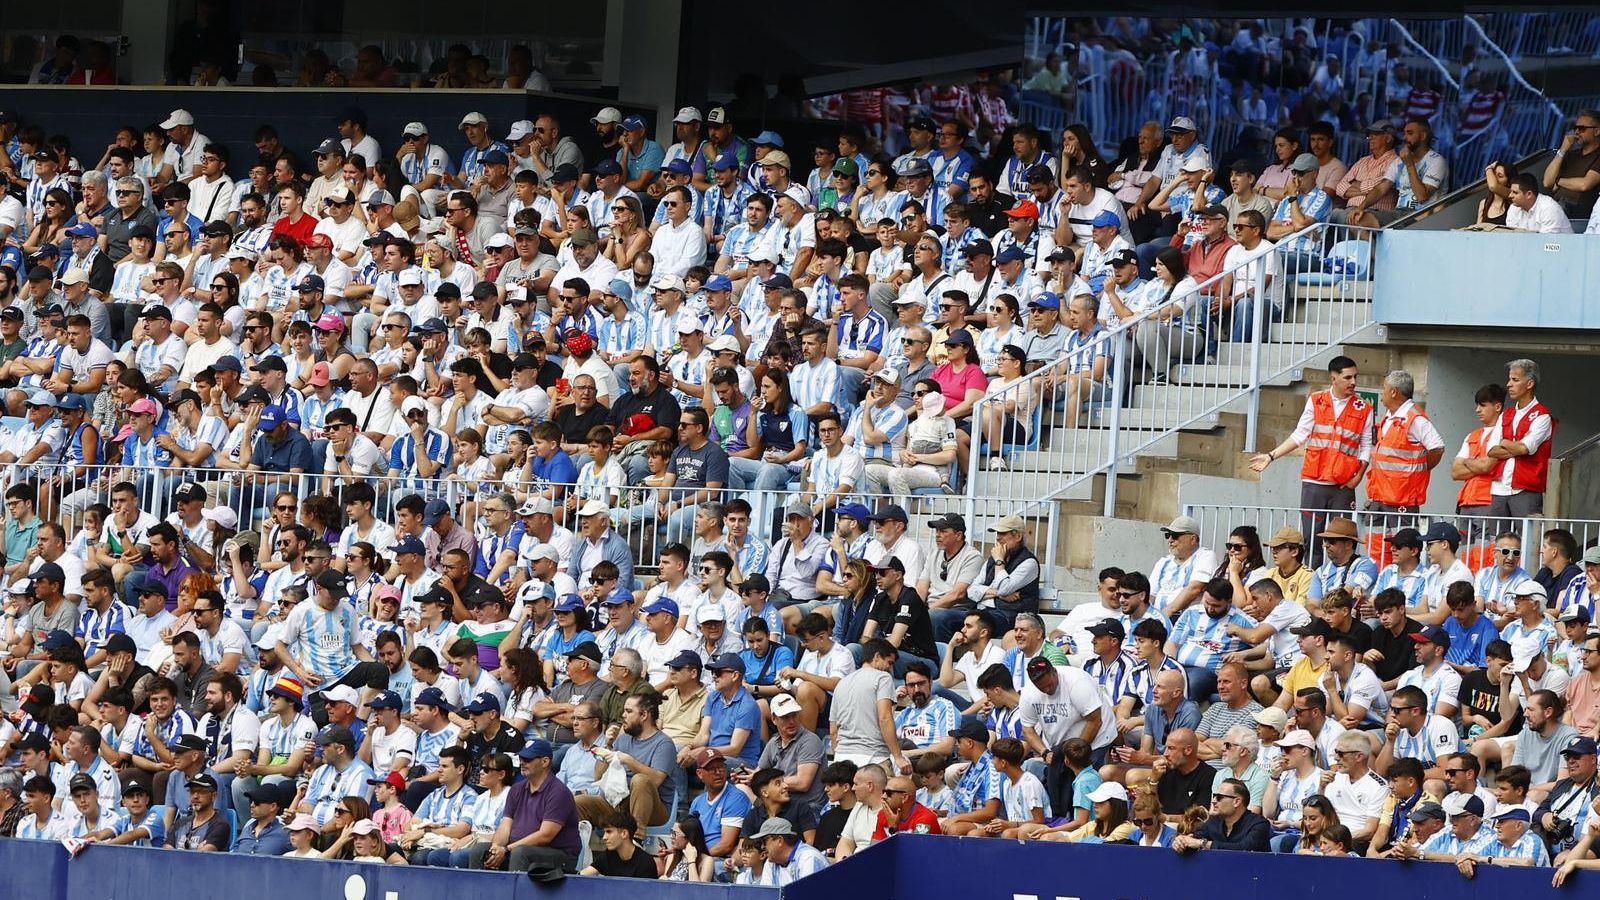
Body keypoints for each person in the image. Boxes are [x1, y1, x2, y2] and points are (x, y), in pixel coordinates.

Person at [1250, 355, 1373, 554]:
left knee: (1343, 540)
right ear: (1334, 378)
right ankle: (1311, 579)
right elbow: (1300, 435)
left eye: (1355, 377)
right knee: (1311, 538)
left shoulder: (1364, 408)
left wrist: (1358, 476)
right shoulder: (1316, 400)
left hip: (1343, 485)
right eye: (1348, 377)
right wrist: (1271, 456)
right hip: (1314, 481)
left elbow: (1367, 445)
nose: (1353, 382)